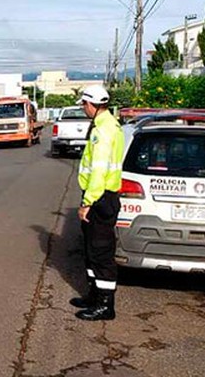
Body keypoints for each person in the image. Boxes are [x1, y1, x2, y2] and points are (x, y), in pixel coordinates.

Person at [71, 85, 124, 321]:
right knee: (92, 249)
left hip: (100, 198)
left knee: (101, 252)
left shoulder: (102, 131)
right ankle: (94, 295)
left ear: (92, 104)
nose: (83, 108)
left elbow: (99, 170)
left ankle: (105, 305)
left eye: (84, 104)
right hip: (101, 197)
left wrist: (88, 202)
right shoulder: (108, 125)